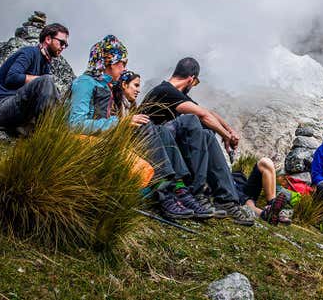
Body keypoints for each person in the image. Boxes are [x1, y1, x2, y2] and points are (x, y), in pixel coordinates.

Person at [68, 36, 211, 220]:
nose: (124, 68)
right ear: (107, 61)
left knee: (159, 129)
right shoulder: (85, 83)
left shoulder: (106, 87)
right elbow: (75, 124)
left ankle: (179, 189)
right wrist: (120, 123)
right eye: (121, 63)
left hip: (104, 137)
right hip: (88, 141)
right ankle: (164, 193)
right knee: (144, 125)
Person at [141, 57, 254, 226]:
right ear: (191, 79)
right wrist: (225, 135)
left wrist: (229, 131)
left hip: (170, 150)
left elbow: (206, 112)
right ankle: (196, 193)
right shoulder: (165, 90)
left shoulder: (174, 93)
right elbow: (202, 115)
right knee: (192, 122)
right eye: (195, 83)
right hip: (155, 150)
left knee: (207, 134)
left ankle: (226, 200)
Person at [0, 23, 69, 136]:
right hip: (0, 108)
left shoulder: (45, 64)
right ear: (48, 39)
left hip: (16, 111)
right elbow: (11, 77)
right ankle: (46, 133)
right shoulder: (29, 52)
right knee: (46, 81)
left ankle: (37, 130)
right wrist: (39, 80)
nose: (63, 47)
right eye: (62, 42)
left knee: (53, 88)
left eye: (66, 45)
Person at [235, 157, 290, 225]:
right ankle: (266, 214)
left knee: (265, 162)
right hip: (230, 191)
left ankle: (272, 204)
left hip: (240, 182)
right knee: (246, 201)